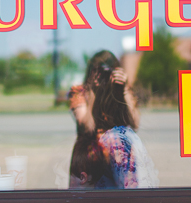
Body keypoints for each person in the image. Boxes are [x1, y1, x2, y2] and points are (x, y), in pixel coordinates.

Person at [68, 50, 158, 189]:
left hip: (118, 158)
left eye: (107, 72)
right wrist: (93, 93)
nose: (103, 77)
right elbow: (88, 127)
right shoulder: (80, 92)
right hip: (90, 157)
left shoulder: (121, 90)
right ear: (91, 73)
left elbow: (135, 123)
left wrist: (124, 90)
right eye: (98, 72)